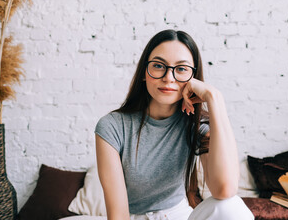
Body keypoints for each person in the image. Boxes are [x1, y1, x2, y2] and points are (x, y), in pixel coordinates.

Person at [95, 29, 254, 220]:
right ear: (144, 73)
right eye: (158, 66)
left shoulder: (196, 126)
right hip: (135, 216)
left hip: (180, 216)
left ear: (193, 78)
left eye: (181, 69)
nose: (168, 78)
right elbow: (118, 216)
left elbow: (225, 189)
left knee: (232, 207)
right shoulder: (112, 127)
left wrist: (214, 98)